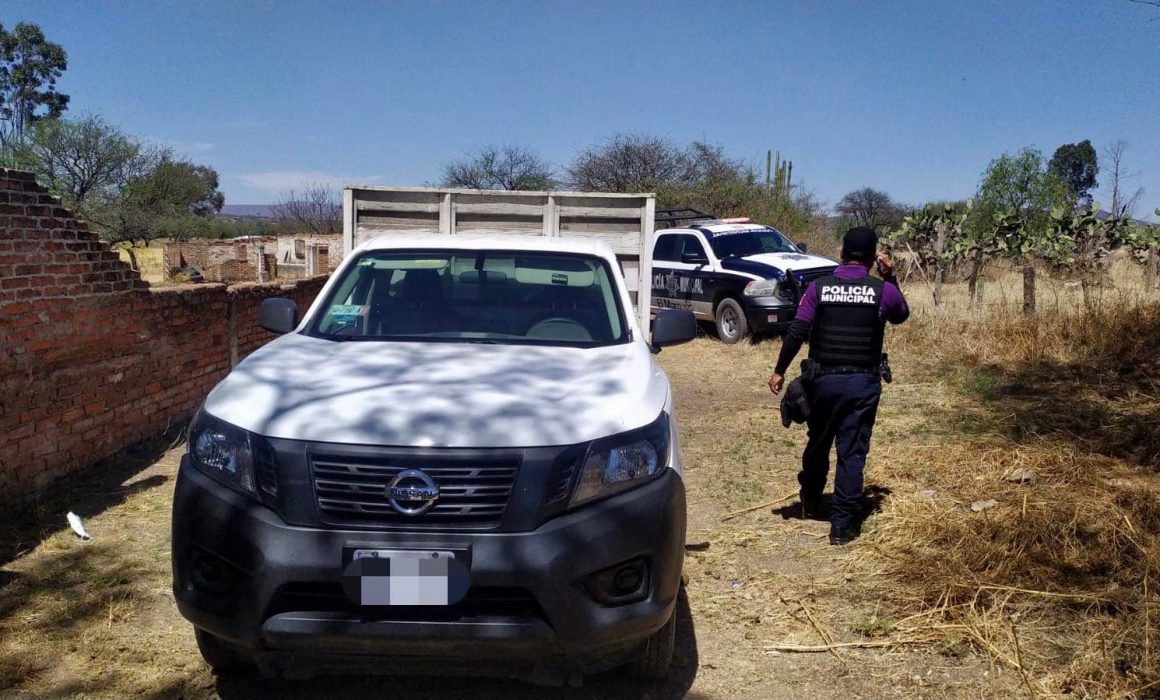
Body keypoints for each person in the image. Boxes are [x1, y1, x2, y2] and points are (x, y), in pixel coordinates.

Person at [768, 227, 909, 545]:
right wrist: (890, 278)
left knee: (818, 442)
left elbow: (797, 331)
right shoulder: (881, 290)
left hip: (823, 383)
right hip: (862, 385)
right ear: (875, 258)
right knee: (852, 452)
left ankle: (811, 500)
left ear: (842, 253)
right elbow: (901, 314)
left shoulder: (819, 288)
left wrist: (779, 371)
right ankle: (842, 527)